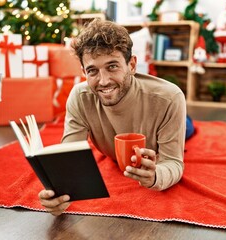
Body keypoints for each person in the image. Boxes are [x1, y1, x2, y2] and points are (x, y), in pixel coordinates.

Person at [39, 18, 192, 216]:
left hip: (165, 117)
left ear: (132, 65)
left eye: (112, 67)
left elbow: (173, 162)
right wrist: (57, 195)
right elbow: (68, 160)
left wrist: (155, 176)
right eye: (92, 71)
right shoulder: (80, 97)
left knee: (188, 129)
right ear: (84, 72)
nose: (103, 81)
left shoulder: (169, 98)